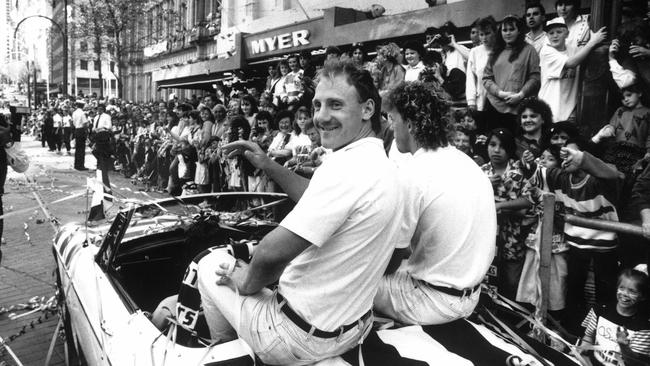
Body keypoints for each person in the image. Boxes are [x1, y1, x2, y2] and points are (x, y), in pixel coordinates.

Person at [190, 59, 403, 365]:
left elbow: (271, 252)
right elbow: (315, 197)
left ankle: (231, 352)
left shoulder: (345, 167)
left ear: (368, 109)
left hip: (295, 338)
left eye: (335, 105)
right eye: (317, 105)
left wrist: (246, 280)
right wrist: (266, 164)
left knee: (209, 265)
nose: (321, 117)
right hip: (352, 328)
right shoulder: (382, 164)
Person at [376, 81, 496, 324]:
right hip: (469, 297)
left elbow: (390, 261)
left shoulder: (412, 173)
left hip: (432, 303)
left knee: (349, 278)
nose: (391, 125)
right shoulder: (467, 163)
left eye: (393, 119)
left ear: (409, 124)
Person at [538, 17, 607, 122]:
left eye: (559, 32)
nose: (555, 36)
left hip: (569, 111)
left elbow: (585, 52)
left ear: (567, 34)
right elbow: (571, 63)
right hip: (549, 108)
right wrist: (592, 42)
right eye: (551, 33)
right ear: (547, 36)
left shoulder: (572, 49)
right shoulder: (546, 51)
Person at [483, 15, 541, 133]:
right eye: (505, 30)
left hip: (519, 108)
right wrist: (500, 93)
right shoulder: (495, 52)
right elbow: (486, 78)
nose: (508, 33)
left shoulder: (529, 50)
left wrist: (520, 95)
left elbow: (535, 78)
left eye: (511, 29)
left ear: (519, 31)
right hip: (494, 106)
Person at [581, 267, 650, 365]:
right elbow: (588, 337)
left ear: (642, 297)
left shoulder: (644, 327)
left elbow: (635, 363)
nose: (625, 294)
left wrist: (623, 346)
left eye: (632, 291)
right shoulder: (599, 310)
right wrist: (581, 349)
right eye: (622, 288)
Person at [466, 16, 498, 133]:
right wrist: (471, 101)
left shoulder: (501, 49)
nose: (484, 38)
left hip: (500, 101)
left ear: (495, 32)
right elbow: (470, 77)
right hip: (481, 101)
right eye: (481, 34)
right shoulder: (475, 52)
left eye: (487, 33)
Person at [91, 104, 114, 201]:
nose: (99, 111)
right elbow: (93, 128)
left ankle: (106, 189)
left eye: (101, 109)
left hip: (103, 138)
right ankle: (100, 186)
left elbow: (109, 127)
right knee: (98, 163)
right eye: (98, 109)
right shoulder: (96, 117)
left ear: (103, 110)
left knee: (103, 164)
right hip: (97, 138)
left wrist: (100, 129)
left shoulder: (106, 117)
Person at [72, 101, 89, 170]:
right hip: (81, 130)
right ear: (82, 106)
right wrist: (86, 130)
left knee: (77, 148)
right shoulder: (82, 113)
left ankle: (76, 164)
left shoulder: (74, 112)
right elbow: (85, 123)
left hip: (76, 129)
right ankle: (81, 165)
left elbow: (73, 123)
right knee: (81, 149)